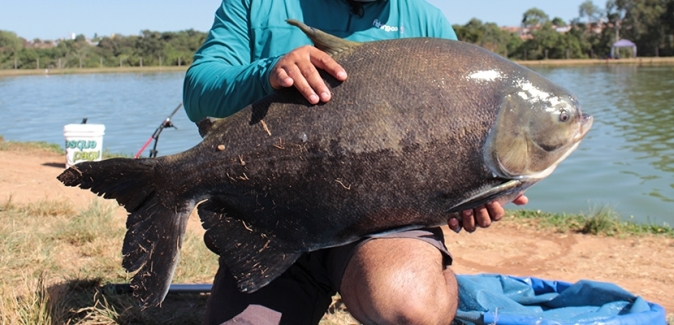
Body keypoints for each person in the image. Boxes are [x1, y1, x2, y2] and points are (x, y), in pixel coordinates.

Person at [183, 1, 528, 324]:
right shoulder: (253, 4)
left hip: (385, 228)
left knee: (412, 307)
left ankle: (421, 277)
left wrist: (471, 194)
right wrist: (268, 73)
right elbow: (198, 92)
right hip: (273, 222)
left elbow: (466, 132)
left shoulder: (426, 20)